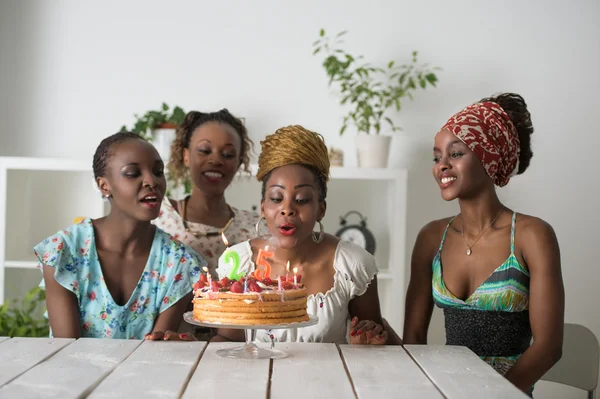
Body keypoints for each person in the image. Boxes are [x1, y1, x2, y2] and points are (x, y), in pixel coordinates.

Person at [402, 93, 564, 396]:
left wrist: (494, 394)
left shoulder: (533, 236)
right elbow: (413, 336)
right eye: (437, 157)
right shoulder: (430, 238)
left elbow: (549, 347)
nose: (442, 166)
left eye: (456, 154)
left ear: (489, 154)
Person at [214, 125, 400, 345]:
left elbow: (377, 341)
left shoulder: (351, 265)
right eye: (276, 198)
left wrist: (369, 339)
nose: (287, 209)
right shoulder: (238, 262)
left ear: (321, 209)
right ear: (263, 207)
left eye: (301, 199)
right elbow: (227, 341)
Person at [34, 132, 206, 339]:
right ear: (104, 185)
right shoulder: (64, 251)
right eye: (133, 173)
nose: (152, 181)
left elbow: (155, 353)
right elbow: (67, 349)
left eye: (158, 171)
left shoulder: (181, 262)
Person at [153, 109, 259, 275]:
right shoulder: (157, 218)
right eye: (204, 150)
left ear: (239, 162)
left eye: (228, 154)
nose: (216, 160)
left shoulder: (255, 228)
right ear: (186, 156)